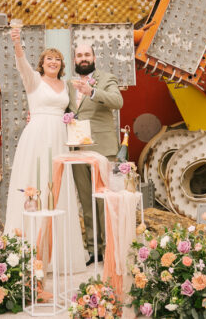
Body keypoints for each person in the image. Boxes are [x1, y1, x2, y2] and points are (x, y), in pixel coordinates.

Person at [2, 26, 88, 273]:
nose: (53, 62)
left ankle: (57, 255)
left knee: (59, 190)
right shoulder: (34, 81)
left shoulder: (65, 84)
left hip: (59, 139)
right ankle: (29, 253)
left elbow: (72, 109)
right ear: (42, 63)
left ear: (62, 65)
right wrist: (17, 43)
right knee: (35, 185)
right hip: (37, 137)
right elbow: (21, 64)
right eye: (49, 58)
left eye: (57, 59)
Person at [67, 41, 123, 264]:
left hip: (102, 149)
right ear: (74, 60)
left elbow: (118, 101)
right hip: (77, 149)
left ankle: (110, 249)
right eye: (79, 55)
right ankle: (94, 250)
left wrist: (92, 92)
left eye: (87, 54)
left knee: (104, 203)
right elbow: (65, 110)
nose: (83, 58)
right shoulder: (69, 85)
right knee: (86, 202)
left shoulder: (106, 79)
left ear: (94, 58)